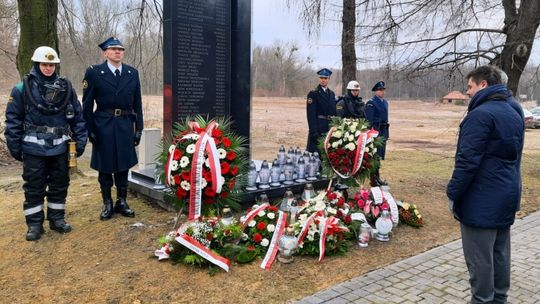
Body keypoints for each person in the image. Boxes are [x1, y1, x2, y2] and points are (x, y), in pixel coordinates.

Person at [447, 65, 524, 304]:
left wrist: (453, 193)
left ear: (483, 85)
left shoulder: (480, 115)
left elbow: (467, 163)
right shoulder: (514, 110)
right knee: (500, 252)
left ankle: (482, 300)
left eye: (470, 86)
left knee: (480, 258)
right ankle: (499, 299)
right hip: (506, 193)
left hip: (481, 198)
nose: (467, 92)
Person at [4, 46, 87, 241]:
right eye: (44, 64)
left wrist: (81, 140)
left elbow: (78, 117)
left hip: (60, 147)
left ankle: (57, 219)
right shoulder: (21, 89)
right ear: (37, 64)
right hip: (33, 148)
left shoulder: (66, 88)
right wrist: (14, 146)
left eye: (52, 64)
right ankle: (34, 224)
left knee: (60, 184)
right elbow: (13, 120)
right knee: (34, 186)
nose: (48, 68)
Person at [82, 37, 143, 220]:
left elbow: (137, 103)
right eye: (114, 49)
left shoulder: (132, 73)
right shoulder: (94, 72)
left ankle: (122, 201)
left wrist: (138, 127)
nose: (118, 52)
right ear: (105, 53)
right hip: (103, 124)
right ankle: (107, 202)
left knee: (123, 164)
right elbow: (86, 105)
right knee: (105, 166)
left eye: (121, 49)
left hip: (124, 123)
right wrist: (89, 129)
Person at [306, 68, 336, 153]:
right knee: (316, 157)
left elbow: (333, 112)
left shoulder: (331, 94)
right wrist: (313, 132)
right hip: (318, 129)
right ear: (319, 79)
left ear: (329, 79)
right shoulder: (313, 94)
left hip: (328, 129)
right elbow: (310, 115)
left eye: (325, 78)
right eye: (321, 78)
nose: (323, 80)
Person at [365, 81, 389, 186]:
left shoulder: (385, 102)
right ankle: (373, 178)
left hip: (383, 131)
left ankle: (377, 177)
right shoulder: (371, 103)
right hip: (376, 132)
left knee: (379, 156)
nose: (382, 92)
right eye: (380, 90)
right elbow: (369, 121)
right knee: (374, 156)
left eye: (383, 90)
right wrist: (372, 133)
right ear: (375, 91)